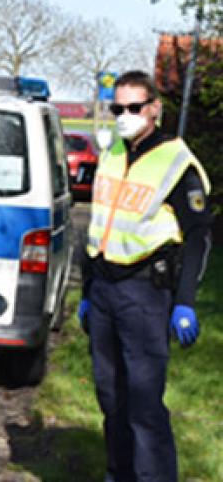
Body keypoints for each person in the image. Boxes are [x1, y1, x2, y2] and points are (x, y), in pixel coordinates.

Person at [79, 71, 213, 482]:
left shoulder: (175, 161)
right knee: (109, 394)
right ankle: (118, 472)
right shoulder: (114, 154)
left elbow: (198, 236)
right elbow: (99, 225)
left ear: (155, 108)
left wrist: (185, 300)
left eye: (134, 108)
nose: (124, 115)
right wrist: (87, 291)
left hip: (145, 292)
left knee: (143, 401)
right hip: (104, 288)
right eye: (117, 108)